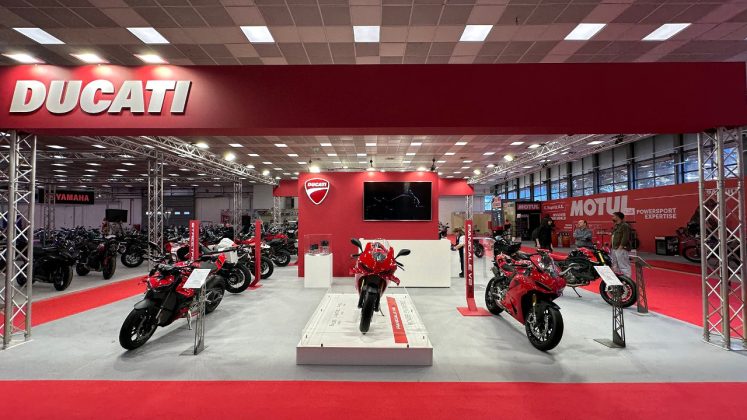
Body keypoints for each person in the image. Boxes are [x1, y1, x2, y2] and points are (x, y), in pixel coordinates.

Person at [610, 211, 632, 277]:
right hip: (614, 248)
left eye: (614, 216)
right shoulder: (616, 226)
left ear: (618, 217)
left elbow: (626, 237)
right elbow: (613, 236)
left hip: (621, 249)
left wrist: (621, 246)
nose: (612, 217)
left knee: (624, 265)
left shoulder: (625, 225)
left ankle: (627, 280)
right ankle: (617, 279)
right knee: (614, 265)